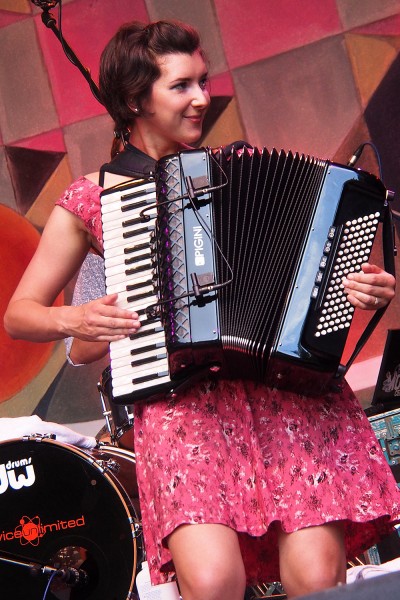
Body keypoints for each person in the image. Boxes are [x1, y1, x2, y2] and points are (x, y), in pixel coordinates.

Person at [4, 19, 399, 600]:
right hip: (181, 408)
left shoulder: (244, 164)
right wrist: (75, 319)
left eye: (203, 80)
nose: (201, 98)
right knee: (213, 584)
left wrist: (361, 288)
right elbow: (20, 313)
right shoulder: (95, 196)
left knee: (316, 581)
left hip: (284, 396)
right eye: (181, 86)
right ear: (136, 100)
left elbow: (320, 274)